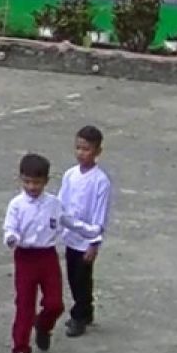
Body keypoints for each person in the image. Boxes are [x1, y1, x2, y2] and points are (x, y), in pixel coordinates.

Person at [3, 153, 101, 353]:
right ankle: (20, 351)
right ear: (21, 179)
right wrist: (12, 238)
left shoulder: (54, 204)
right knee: (25, 307)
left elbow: (70, 222)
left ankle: (43, 325)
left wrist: (91, 233)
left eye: (36, 182)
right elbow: (9, 228)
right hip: (26, 257)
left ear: (46, 181)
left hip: (47, 256)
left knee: (55, 303)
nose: (32, 187)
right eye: (27, 181)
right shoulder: (17, 205)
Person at [58, 125, 113, 338]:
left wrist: (94, 243)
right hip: (71, 236)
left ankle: (80, 314)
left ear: (97, 151)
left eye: (87, 149)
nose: (81, 153)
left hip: (87, 238)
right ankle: (85, 310)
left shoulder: (101, 181)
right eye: (78, 148)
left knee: (82, 277)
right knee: (73, 275)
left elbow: (100, 214)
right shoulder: (70, 175)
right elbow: (62, 202)